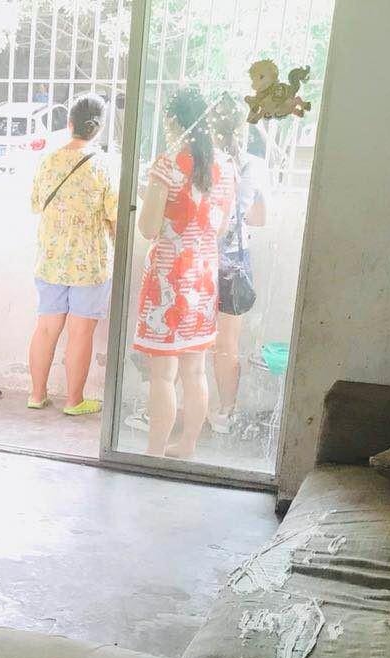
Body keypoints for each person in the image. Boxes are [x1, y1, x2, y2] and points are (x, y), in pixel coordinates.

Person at [130, 86, 235, 457]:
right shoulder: (225, 166)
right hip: (203, 279)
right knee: (195, 370)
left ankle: (155, 451)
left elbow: (148, 228)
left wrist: (152, 192)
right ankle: (187, 444)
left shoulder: (168, 165)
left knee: (163, 374)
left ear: (174, 120)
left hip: (169, 280)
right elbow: (220, 227)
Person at [26, 94, 117, 416]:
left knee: (46, 328)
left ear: (69, 124)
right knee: (80, 332)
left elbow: (35, 203)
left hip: (51, 260)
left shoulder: (48, 161)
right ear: (99, 128)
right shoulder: (104, 165)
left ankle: (37, 394)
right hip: (89, 264)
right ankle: (74, 401)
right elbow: (115, 214)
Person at [209, 98, 271, 434]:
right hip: (234, 260)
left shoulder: (203, 163)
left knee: (187, 340)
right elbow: (259, 218)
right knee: (227, 344)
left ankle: (163, 409)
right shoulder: (254, 165)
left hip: (197, 257)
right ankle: (226, 412)